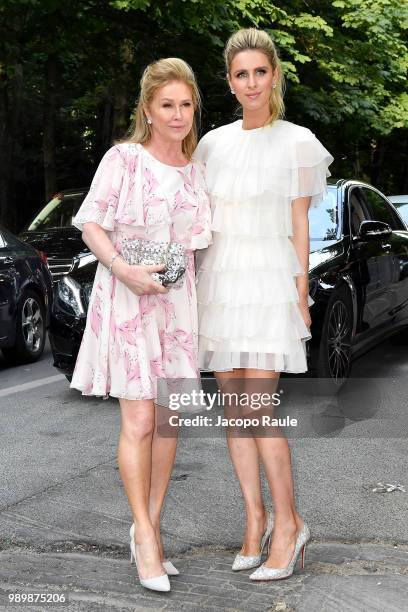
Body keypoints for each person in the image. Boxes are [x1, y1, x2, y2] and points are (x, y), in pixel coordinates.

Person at [194, 28, 333, 581]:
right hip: (222, 283)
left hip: (270, 281)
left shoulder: (297, 141)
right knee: (234, 410)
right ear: (230, 83)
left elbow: (300, 224)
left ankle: (291, 522)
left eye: (259, 71)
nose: (250, 82)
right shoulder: (211, 144)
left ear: (274, 74)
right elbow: (199, 223)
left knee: (258, 408)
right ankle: (255, 521)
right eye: (239, 74)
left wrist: (300, 292)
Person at [70, 58, 211, 592]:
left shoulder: (197, 169)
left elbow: (195, 246)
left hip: (177, 305)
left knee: (168, 423)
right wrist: (124, 270)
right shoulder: (123, 159)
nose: (177, 115)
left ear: (194, 107)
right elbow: (92, 223)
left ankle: (145, 527)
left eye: (185, 104)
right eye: (166, 105)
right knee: (140, 423)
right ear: (148, 110)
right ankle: (149, 541)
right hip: (129, 298)